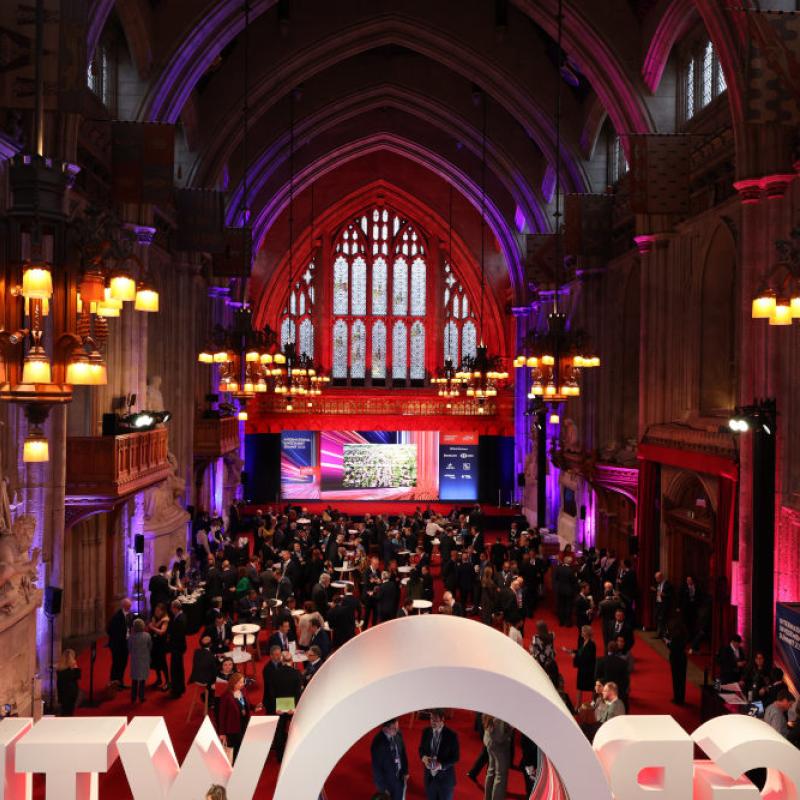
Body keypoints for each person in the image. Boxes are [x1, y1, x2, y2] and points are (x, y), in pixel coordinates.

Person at [419, 709, 459, 800]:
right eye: (431, 719)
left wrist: (440, 765)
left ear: (442, 719)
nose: (432, 722)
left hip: (445, 780)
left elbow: (455, 757)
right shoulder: (426, 731)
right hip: (429, 779)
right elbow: (421, 749)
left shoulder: (451, 735)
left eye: (435, 720)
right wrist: (424, 758)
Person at [370, 718, 408, 800]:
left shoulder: (397, 734)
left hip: (400, 778)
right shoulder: (378, 744)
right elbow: (376, 769)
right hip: (388, 783)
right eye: (394, 728)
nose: (397, 730)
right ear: (385, 729)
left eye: (398, 727)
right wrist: (383, 788)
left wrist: (405, 771)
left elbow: (403, 754)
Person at [217, 672, 251, 762]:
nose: (242, 684)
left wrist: (254, 707)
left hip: (243, 724)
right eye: (240, 682)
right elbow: (222, 715)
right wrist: (222, 733)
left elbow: (245, 704)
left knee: (241, 747)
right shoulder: (226, 696)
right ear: (233, 683)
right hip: (232, 728)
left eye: (243, 682)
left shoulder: (242, 691)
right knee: (234, 750)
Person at [482, 714, 511, 800]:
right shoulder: (500, 715)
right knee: (500, 776)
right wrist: (511, 730)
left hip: (489, 741)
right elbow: (500, 737)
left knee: (491, 771)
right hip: (498, 745)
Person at [107, 597, 133, 687]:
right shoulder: (117, 617)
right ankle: (114, 683)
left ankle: (120, 682)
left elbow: (128, 627)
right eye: (129, 606)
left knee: (123, 663)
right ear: (124, 606)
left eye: (130, 606)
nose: (130, 608)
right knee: (117, 663)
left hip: (125, 643)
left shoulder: (128, 615)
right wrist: (119, 637)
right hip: (117, 645)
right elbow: (109, 630)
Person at [128, 618, 152, 704]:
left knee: (134, 680)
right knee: (142, 680)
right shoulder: (147, 636)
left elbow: (129, 649)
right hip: (144, 659)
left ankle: (133, 697)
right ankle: (141, 696)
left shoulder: (131, 637)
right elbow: (150, 647)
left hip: (135, 660)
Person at [571, 625, 597, 706]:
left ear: (586, 633)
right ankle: (578, 706)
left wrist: (576, 656)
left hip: (588, 669)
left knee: (591, 687)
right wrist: (573, 651)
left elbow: (587, 657)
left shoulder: (592, 644)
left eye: (583, 631)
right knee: (579, 687)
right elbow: (581, 651)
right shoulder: (584, 641)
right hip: (582, 668)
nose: (581, 633)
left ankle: (592, 704)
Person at [148, 603, 170, 690]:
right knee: (156, 662)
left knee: (163, 662)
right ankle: (159, 679)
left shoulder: (166, 619)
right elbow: (154, 626)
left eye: (158, 611)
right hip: (154, 643)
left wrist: (153, 628)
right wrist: (156, 623)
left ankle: (168, 681)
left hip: (161, 643)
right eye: (155, 610)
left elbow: (161, 632)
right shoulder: (155, 617)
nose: (156, 612)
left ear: (163, 611)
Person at [167, 600, 187, 697]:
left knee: (176, 669)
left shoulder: (180, 619)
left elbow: (178, 635)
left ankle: (177, 690)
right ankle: (180, 688)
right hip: (179, 647)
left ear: (175, 608)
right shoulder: (180, 616)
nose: (171, 610)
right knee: (178, 669)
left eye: (172, 608)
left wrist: (170, 638)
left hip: (177, 647)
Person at [667, 616, 688, 704]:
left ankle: (677, 698)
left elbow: (672, 648)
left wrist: (668, 643)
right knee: (682, 679)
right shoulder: (684, 634)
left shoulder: (675, 636)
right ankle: (681, 698)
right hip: (683, 658)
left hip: (676, 658)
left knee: (676, 679)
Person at [56, 649, 81, 716]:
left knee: (64, 711)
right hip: (70, 694)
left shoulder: (60, 670)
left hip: (63, 694)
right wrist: (75, 666)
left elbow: (59, 684)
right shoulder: (71, 671)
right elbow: (78, 676)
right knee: (69, 712)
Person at [651, 572, 673, 639]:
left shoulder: (668, 584)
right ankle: (660, 633)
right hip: (658, 603)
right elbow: (657, 592)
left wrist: (664, 595)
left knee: (662, 619)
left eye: (657, 578)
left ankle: (663, 634)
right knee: (656, 617)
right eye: (655, 578)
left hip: (664, 604)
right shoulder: (658, 584)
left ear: (661, 577)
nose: (656, 580)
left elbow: (671, 595)